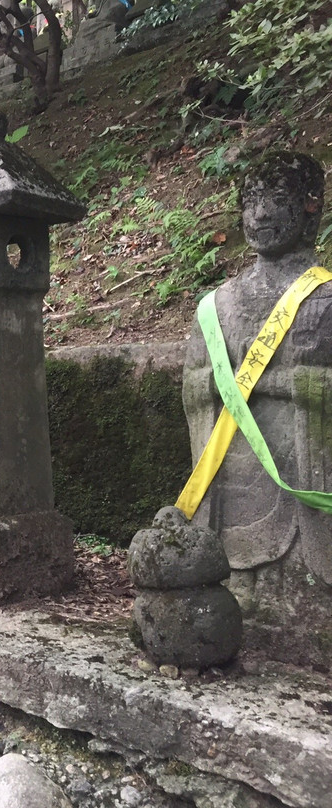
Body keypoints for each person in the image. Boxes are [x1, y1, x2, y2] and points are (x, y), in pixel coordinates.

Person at [181, 151, 331, 658]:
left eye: (276, 200)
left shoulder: (325, 298)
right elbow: (194, 385)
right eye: (251, 201)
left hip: (302, 467)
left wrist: (290, 385)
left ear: (313, 206)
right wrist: (220, 387)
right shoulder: (218, 303)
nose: (261, 215)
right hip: (235, 474)